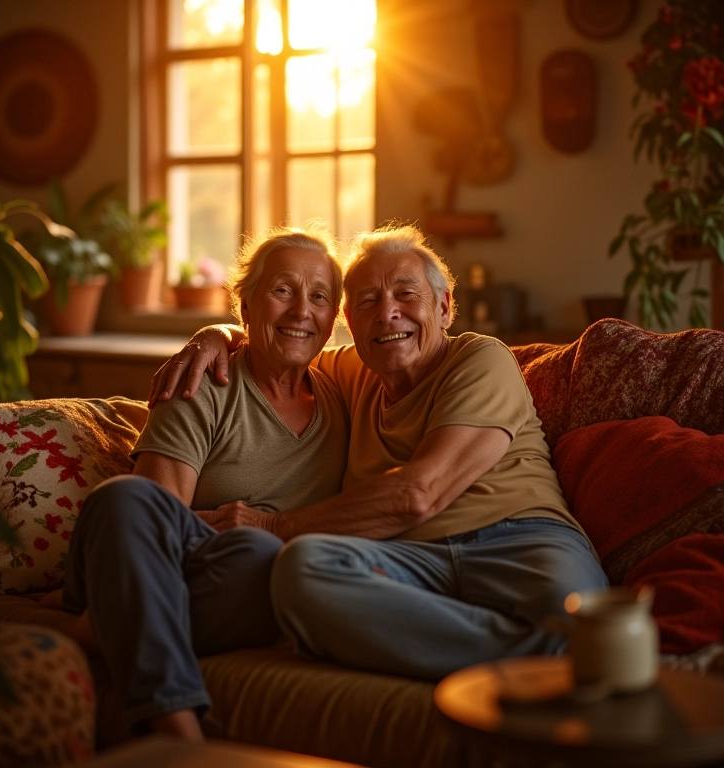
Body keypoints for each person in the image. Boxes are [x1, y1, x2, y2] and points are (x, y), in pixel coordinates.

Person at [151, 223, 609, 682]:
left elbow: (419, 494)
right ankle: (548, 657)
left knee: (574, 610)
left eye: (406, 294)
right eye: (368, 301)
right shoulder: (347, 373)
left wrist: (273, 526)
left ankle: (541, 651)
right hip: (407, 563)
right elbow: (284, 337)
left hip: (521, 541)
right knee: (301, 570)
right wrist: (215, 335)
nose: (388, 313)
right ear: (348, 322)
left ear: (444, 307)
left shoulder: (480, 359)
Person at [43, 223, 349, 742]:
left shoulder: (347, 389)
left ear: (334, 317)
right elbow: (153, 517)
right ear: (245, 306)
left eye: (319, 297)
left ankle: (99, 626)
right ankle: (177, 726)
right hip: (158, 557)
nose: (302, 310)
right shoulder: (203, 384)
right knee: (126, 496)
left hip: (238, 578)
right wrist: (216, 337)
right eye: (282, 290)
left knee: (266, 557)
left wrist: (258, 531)